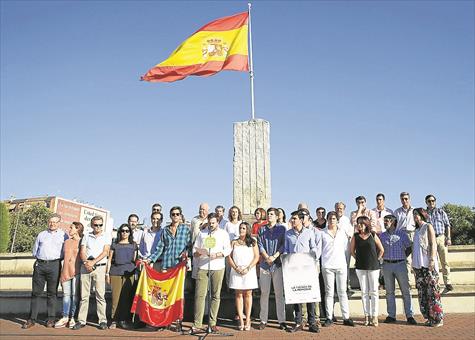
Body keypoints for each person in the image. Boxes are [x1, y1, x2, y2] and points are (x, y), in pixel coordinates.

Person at [146, 206, 192, 333]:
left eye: (177, 214)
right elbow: (160, 248)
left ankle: (177, 321)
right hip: (166, 266)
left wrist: (186, 256)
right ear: (170, 216)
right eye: (173, 214)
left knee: (178, 294)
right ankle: (164, 321)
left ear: (181, 215)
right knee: (164, 294)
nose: (175, 216)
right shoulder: (165, 230)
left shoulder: (186, 229)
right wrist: (150, 260)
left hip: (179, 266)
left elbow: (190, 246)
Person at [23, 214, 67, 329]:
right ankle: (32, 319)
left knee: (52, 293)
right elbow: (35, 251)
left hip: (55, 265)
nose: (52, 224)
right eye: (50, 221)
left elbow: (66, 251)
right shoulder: (41, 234)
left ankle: (51, 319)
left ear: (59, 223)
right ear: (48, 222)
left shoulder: (64, 235)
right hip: (40, 265)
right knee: (36, 293)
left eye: (55, 222)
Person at [190, 213, 231, 334]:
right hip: (203, 266)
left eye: (214, 222)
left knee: (215, 295)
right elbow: (194, 249)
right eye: (210, 222)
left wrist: (217, 254)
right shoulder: (202, 233)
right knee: (200, 295)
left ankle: (212, 323)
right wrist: (198, 253)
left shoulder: (223, 233)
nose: (211, 225)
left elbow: (228, 249)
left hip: (218, 266)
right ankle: (197, 323)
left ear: (218, 222)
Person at [284, 210, 321, 333]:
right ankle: (298, 322)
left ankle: (311, 322)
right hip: (294, 269)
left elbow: (314, 248)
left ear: (301, 220)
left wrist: (312, 256)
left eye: (294, 219)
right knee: (296, 296)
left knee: (309, 296)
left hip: (307, 268)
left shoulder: (309, 232)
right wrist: (285, 259)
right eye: (292, 219)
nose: (292, 221)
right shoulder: (288, 234)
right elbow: (286, 250)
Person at [73, 216, 111, 330]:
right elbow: (82, 251)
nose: (98, 227)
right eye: (96, 225)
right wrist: (86, 263)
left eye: (100, 225)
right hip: (85, 267)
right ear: (91, 225)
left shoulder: (106, 236)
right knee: (84, 296)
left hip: (99, 267)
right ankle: (81, 320)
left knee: (100, 295)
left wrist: (93, 262)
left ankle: (102, 320)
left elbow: (105, 252)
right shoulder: (86, 236)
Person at [379, 215, 417, 325]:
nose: (385, 223)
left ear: (393, 222)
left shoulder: (402, 234)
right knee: (389, 292)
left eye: (387, 221)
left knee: (406, 291)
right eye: (384, 221)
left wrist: (403, 256)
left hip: (400, 264)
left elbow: (409, 247)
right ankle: (391, 315)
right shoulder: (382, 236)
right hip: (387, 265)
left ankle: (409, 315)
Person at [320, 211, 355, 327]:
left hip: (341, 265)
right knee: (329, 293)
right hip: (328, 266)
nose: (332, 220)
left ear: (337, 220)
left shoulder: (343, 232)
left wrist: (346, 263)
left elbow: (347, 249)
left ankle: (346, 317)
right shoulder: (322, 233)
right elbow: (319, 250)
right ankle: (329, 317)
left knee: (342, 292)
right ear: (327, 220)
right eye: (330, 218)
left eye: (334, 218)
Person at [412, 208, 444, 327]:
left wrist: (431, 260)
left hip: (428, 265)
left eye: (417, 214)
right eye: (414, 214)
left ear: (422, 215)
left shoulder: (428, 226)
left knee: (433, 292)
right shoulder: (416, 230)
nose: (415, 216)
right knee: (423, 293)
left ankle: (437, 318)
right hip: (418, 266)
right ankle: (429, 318)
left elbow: (432, 243)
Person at [257, 208, 287, 331]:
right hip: (265, 265)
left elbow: (283, 245)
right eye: (268, 214)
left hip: (277, 264)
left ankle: (282, 320)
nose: (269, 216)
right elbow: (260, 244)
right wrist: (266, 257)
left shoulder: (282, 229)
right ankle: (263, 320)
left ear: (276, 216)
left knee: (279, 294)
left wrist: (274, 257)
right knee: (264, 293)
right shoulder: (261, 229)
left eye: (271, 214)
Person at [350, 216, 384, 326]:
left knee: (374, 291)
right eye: (358, 223)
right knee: (364, 292)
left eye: (361, 223)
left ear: (366, 224)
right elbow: (352, 251)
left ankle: (375, 316)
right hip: (360, 267)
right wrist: (359, 259)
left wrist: (376, 260)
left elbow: (381, 250)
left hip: (374, 267)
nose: (359, 225)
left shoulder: (373, 235)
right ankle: (367, 316)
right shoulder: (355, 236)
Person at [106, 224, 138, 329]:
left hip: (129, 273)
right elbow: (109, 259)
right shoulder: (115, 244)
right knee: (116, 297)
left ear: (130, 232)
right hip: (115, 272)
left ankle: (124, 320)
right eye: (122, 231)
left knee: (126, 298)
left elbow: (135, 259)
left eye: (127, 231)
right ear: (119, 232)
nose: (124, 233)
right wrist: (107, 273)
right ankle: (114, 320)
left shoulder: (133, 245)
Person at [228, 222, 259, 331]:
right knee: (239, 294)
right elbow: (229, 257)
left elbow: (256, 257)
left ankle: (248, 319)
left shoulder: (253, 242)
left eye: (244, 228)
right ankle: (241, 319)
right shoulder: (234, 242)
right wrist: (236, 268)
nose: (241, 230)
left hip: (249, 271)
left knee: (248, 294)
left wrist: (248, 268)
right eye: (240, 228)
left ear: (248, 230)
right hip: (236, 271)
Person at [55, 222, 84, 329]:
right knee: (66, 295)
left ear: (77, 229)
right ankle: (65, 316)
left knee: (75, 295)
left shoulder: (82, 242)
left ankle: (73, 317)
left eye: (71, 228)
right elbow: (63, 256)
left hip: (77, 272)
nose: (69, 229)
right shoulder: (66, 242)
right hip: (66, 271)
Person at [426, 194, 453, 291]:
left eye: (433, 201)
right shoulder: (424, 214)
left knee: (444, 261)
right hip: (430, 240)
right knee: (432, 262)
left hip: (441, 237)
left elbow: (447, 225)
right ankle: (435, 282)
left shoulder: (441, 212)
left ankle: (448, 282)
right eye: (429, 201)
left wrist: (448, 237)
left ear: (435, 202)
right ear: (426, 202)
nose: (431, 202)